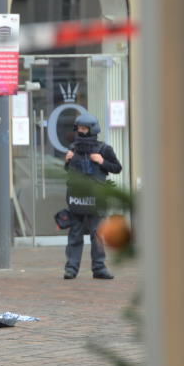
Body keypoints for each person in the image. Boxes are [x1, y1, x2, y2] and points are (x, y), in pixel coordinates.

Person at [63, 113, 122, 280]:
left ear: (92, 129)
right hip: (77, 198)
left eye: (84, 128)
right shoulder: (73, 148)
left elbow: (117, 168)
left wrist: (102, 161)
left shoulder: (104, 149)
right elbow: (70, 171)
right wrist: (67, 161)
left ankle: (99, 268)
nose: (81, 131)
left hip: (96, 198)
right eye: (79, 128)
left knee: (97, 234)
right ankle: (71, 268)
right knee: (74, 233)